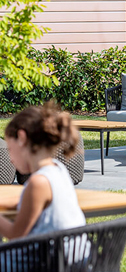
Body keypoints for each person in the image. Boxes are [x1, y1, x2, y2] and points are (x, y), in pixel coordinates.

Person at [0, 102, 86, 240]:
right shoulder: (58, 169)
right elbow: (34, 203)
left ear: (22, 139)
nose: (10, 159)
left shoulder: (39, 182)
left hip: (47, 260)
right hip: (68, 258)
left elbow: (16, 235)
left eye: (10, 149)